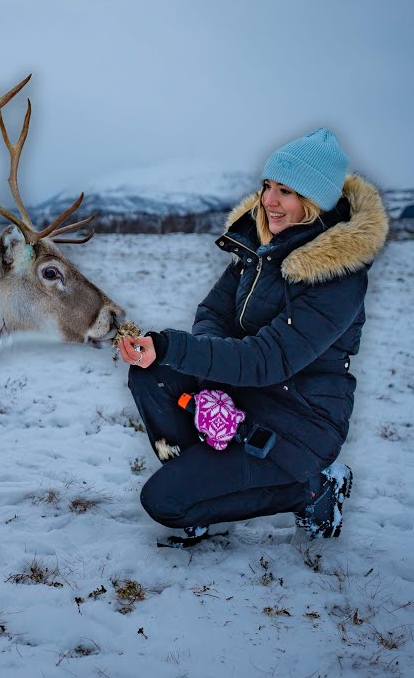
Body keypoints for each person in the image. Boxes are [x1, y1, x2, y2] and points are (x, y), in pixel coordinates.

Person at [117, 128, 387, 546]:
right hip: (245, 397)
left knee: (164, 503)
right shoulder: (260, 251)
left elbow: (268, 358)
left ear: (314, 202)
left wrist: (173, 348)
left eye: (286, 191)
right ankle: (208, 474)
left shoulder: (338, 275)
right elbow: (213, 312)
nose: (269, 201)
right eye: (267, 186)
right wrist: (210, 391)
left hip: (299, 422)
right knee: (152, 375)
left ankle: (314, 487)